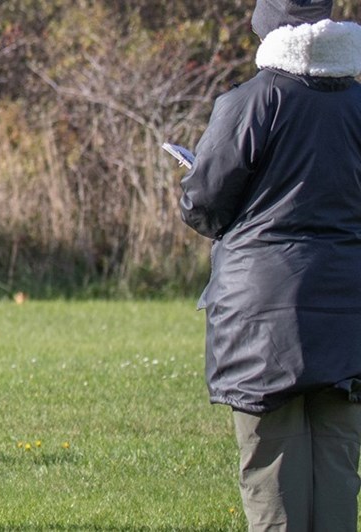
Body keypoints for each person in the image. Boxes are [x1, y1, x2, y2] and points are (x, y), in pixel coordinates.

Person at [180, 1, 361, 528]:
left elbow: (204, 204)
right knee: (337, 471)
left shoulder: (251, 101)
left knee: (272, 475)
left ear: (269, 29)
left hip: (263, 317)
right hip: (349, 311)